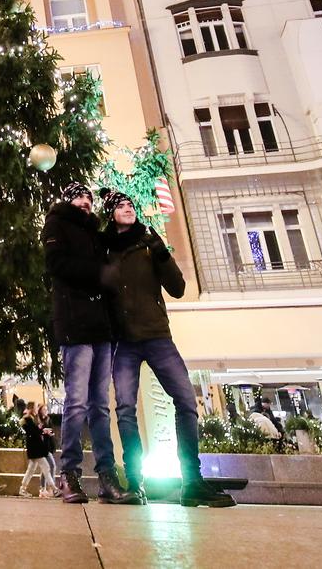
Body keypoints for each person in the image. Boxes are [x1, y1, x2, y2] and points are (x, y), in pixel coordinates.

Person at [100, 191, 235, 508]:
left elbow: (177, 288)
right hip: (124, 343)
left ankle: (192, 480)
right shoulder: (103, 251)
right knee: (125, 410)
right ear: (110, 214)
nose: (128, 209)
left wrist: (161, 251)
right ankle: (135, 482)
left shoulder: (149, 243)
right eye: (121, 206)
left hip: (158, 336)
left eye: (131, 205)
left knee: (186, 400)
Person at [42, 182, 132, 505]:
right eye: (79, 196)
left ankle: (107, 475)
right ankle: (69, 474)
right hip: (75, 325)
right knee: (76, 401)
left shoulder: (96, 231)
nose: (85, 201)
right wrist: (98, 273)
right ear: (68, 199)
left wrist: (115, 203)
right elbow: (57, 265)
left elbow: (126, 233)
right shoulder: (56, 224)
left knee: (100, 406)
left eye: (89, 198)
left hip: (100, 327)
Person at [18, 401, 57, 498]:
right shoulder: (28, 420)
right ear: (31, 408)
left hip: (35, 450)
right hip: (36, 450)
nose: (36, 409)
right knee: (46, 467)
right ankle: (54, 489)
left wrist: (42, 430)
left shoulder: (31, 419)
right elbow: (34, 432)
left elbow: (36, 431)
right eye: (35, 407)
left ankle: (23, 489)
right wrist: (43, 431)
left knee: (31, 470)